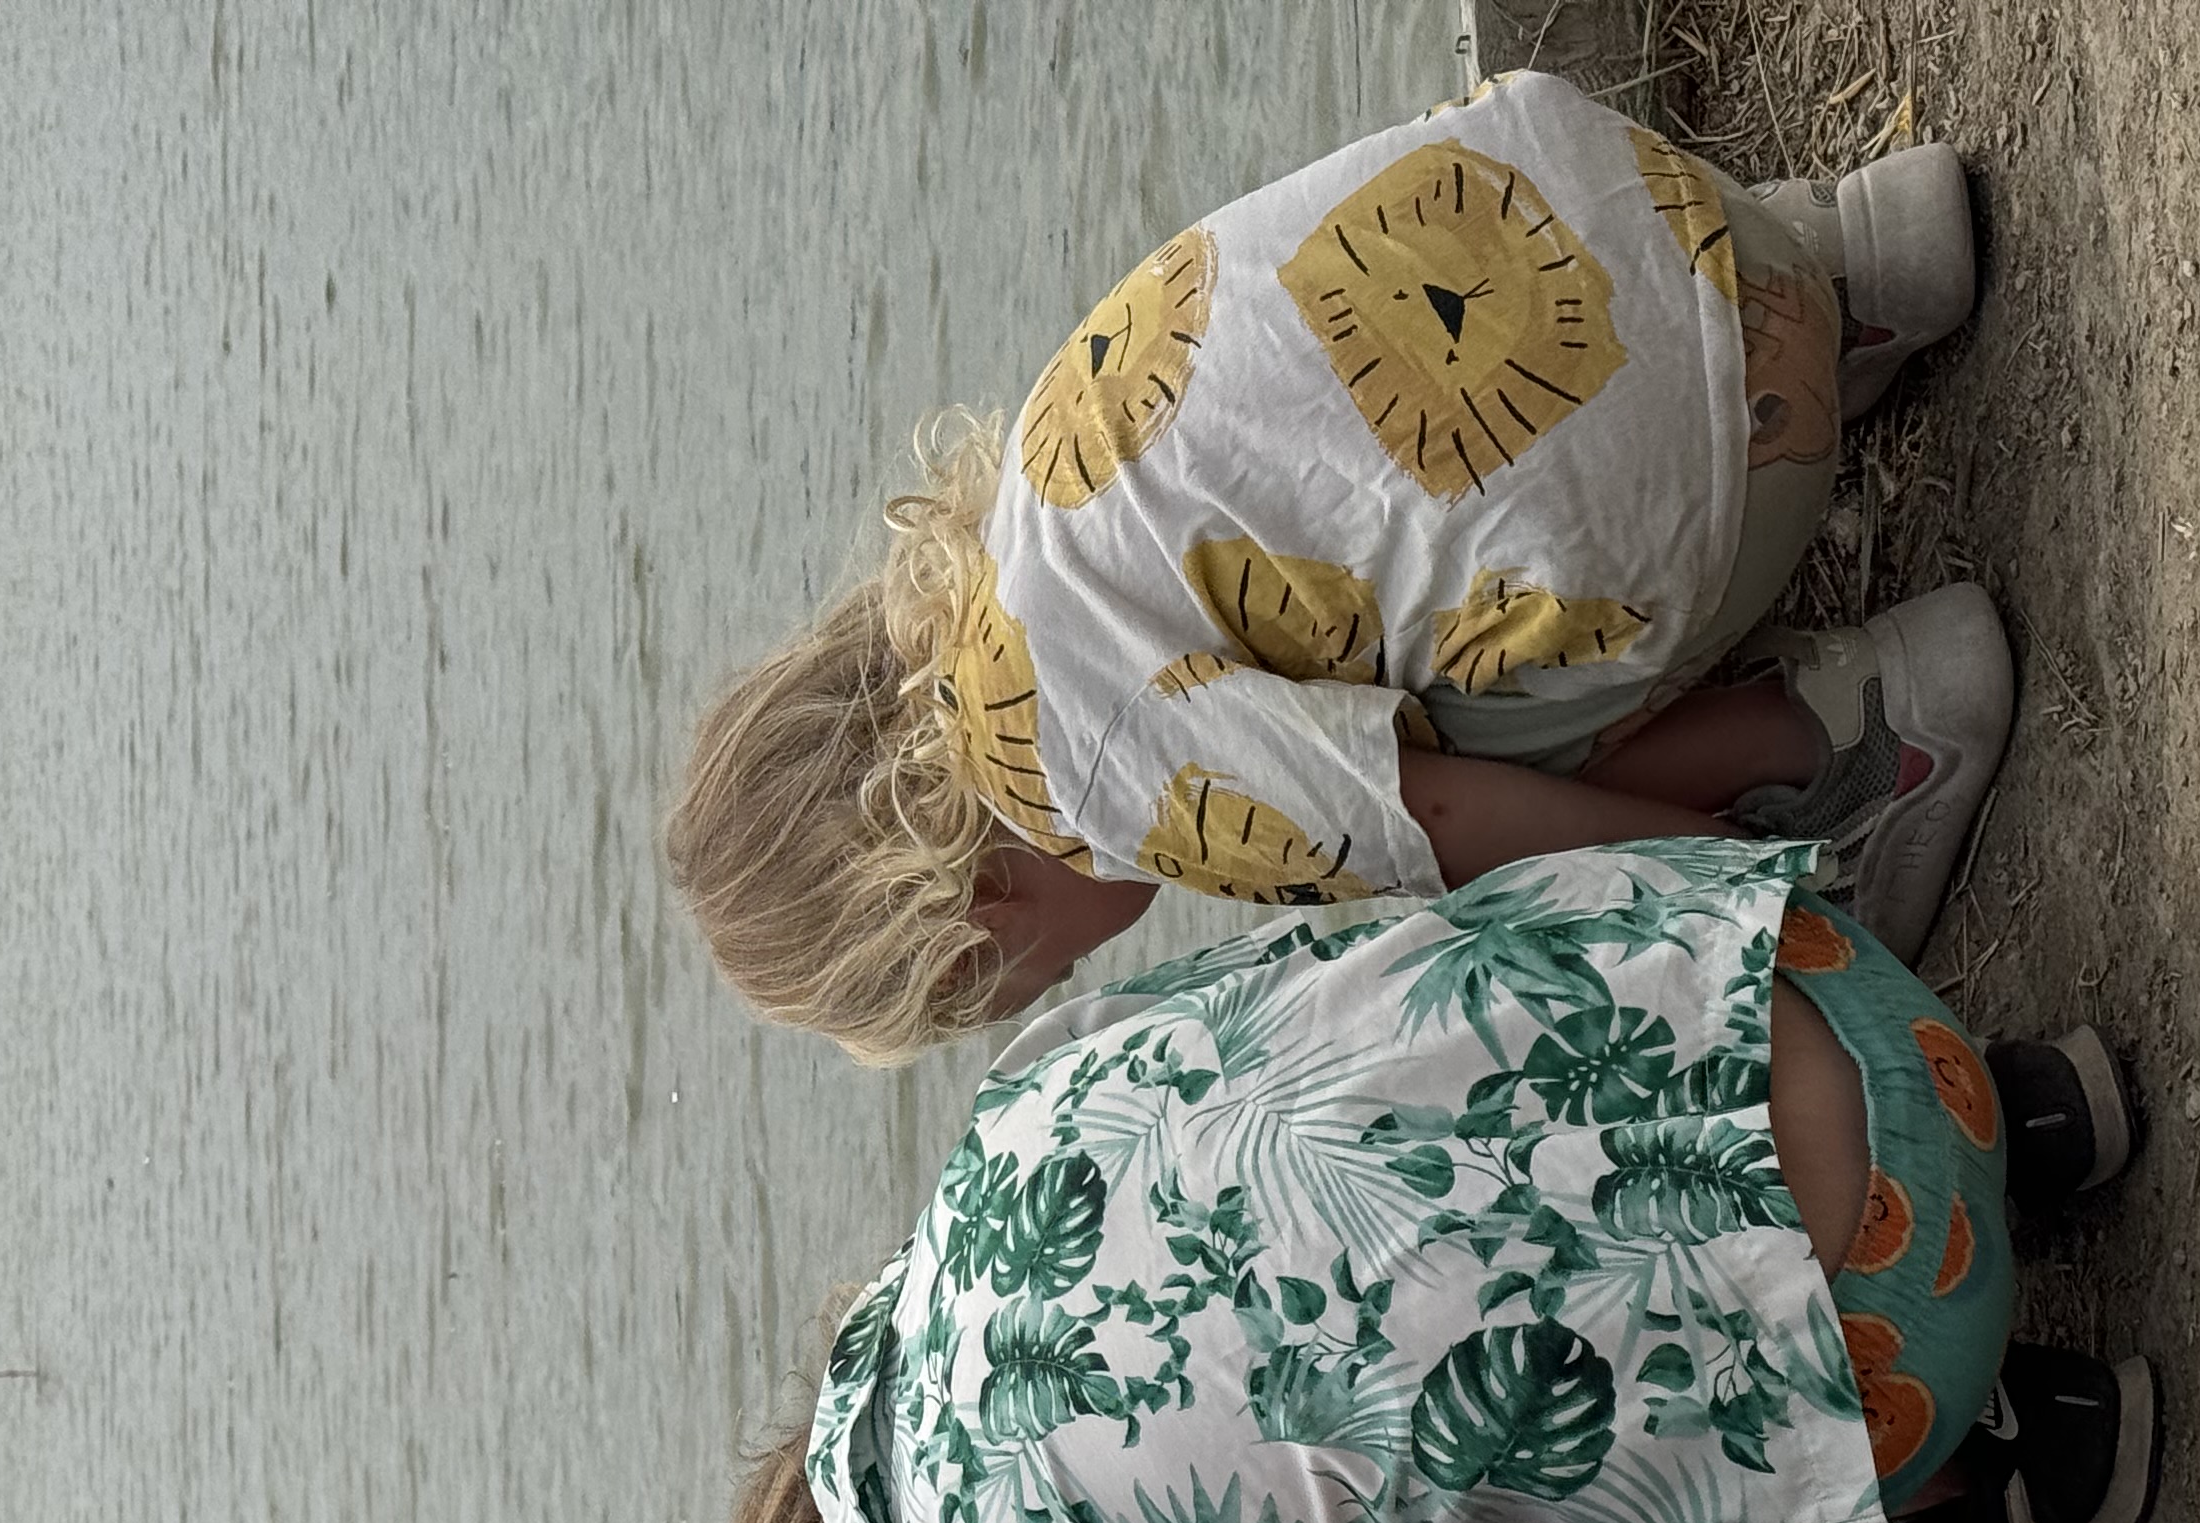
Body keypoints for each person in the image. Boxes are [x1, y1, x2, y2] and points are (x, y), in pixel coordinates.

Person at [700, 834, 2151, 1523]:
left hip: (1897, 1345)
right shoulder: (999, 1131)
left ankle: (2000, 1500)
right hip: (1831, 983)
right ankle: (2019, 1122)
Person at [663, 72, 2011, 1069]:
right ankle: (1858, 268)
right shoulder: (1033, 488)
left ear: (977, 917)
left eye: (1032, 981)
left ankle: (1856, 735)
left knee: (1417, 851)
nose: (1092, 955)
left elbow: (1440, 823)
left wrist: (1726, 898)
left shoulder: (1084, 769)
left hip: (1721, 485)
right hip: (1675, 209)